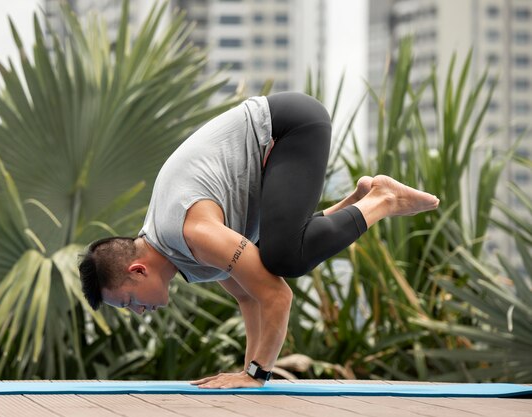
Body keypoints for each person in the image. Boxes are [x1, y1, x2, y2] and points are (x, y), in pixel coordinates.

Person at [79, 92, 439, 389]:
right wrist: (247, 372)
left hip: (288, 128)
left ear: (138, 270)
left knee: (283, 260)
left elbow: (277, 295)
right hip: (275, 148)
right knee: (271, 256)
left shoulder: (193, 234)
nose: (139, 313)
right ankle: (358, 200)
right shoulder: (179, 254)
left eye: (128, 302)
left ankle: (383, 200)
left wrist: (256, 375)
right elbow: (249, 297)